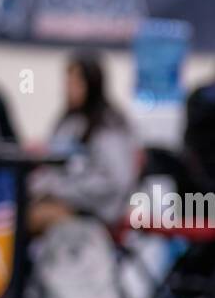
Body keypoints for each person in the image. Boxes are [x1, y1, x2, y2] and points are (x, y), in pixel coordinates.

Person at [27, 52, 137, 235]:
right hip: (62, 201)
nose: (68, 89)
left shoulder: (109, 126)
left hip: (95, 210)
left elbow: (116, 181)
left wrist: (61, 190)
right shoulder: (67, 122)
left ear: (92, 84)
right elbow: (52, 167)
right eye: (67, 83)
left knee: (28, 219)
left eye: (75, 83)